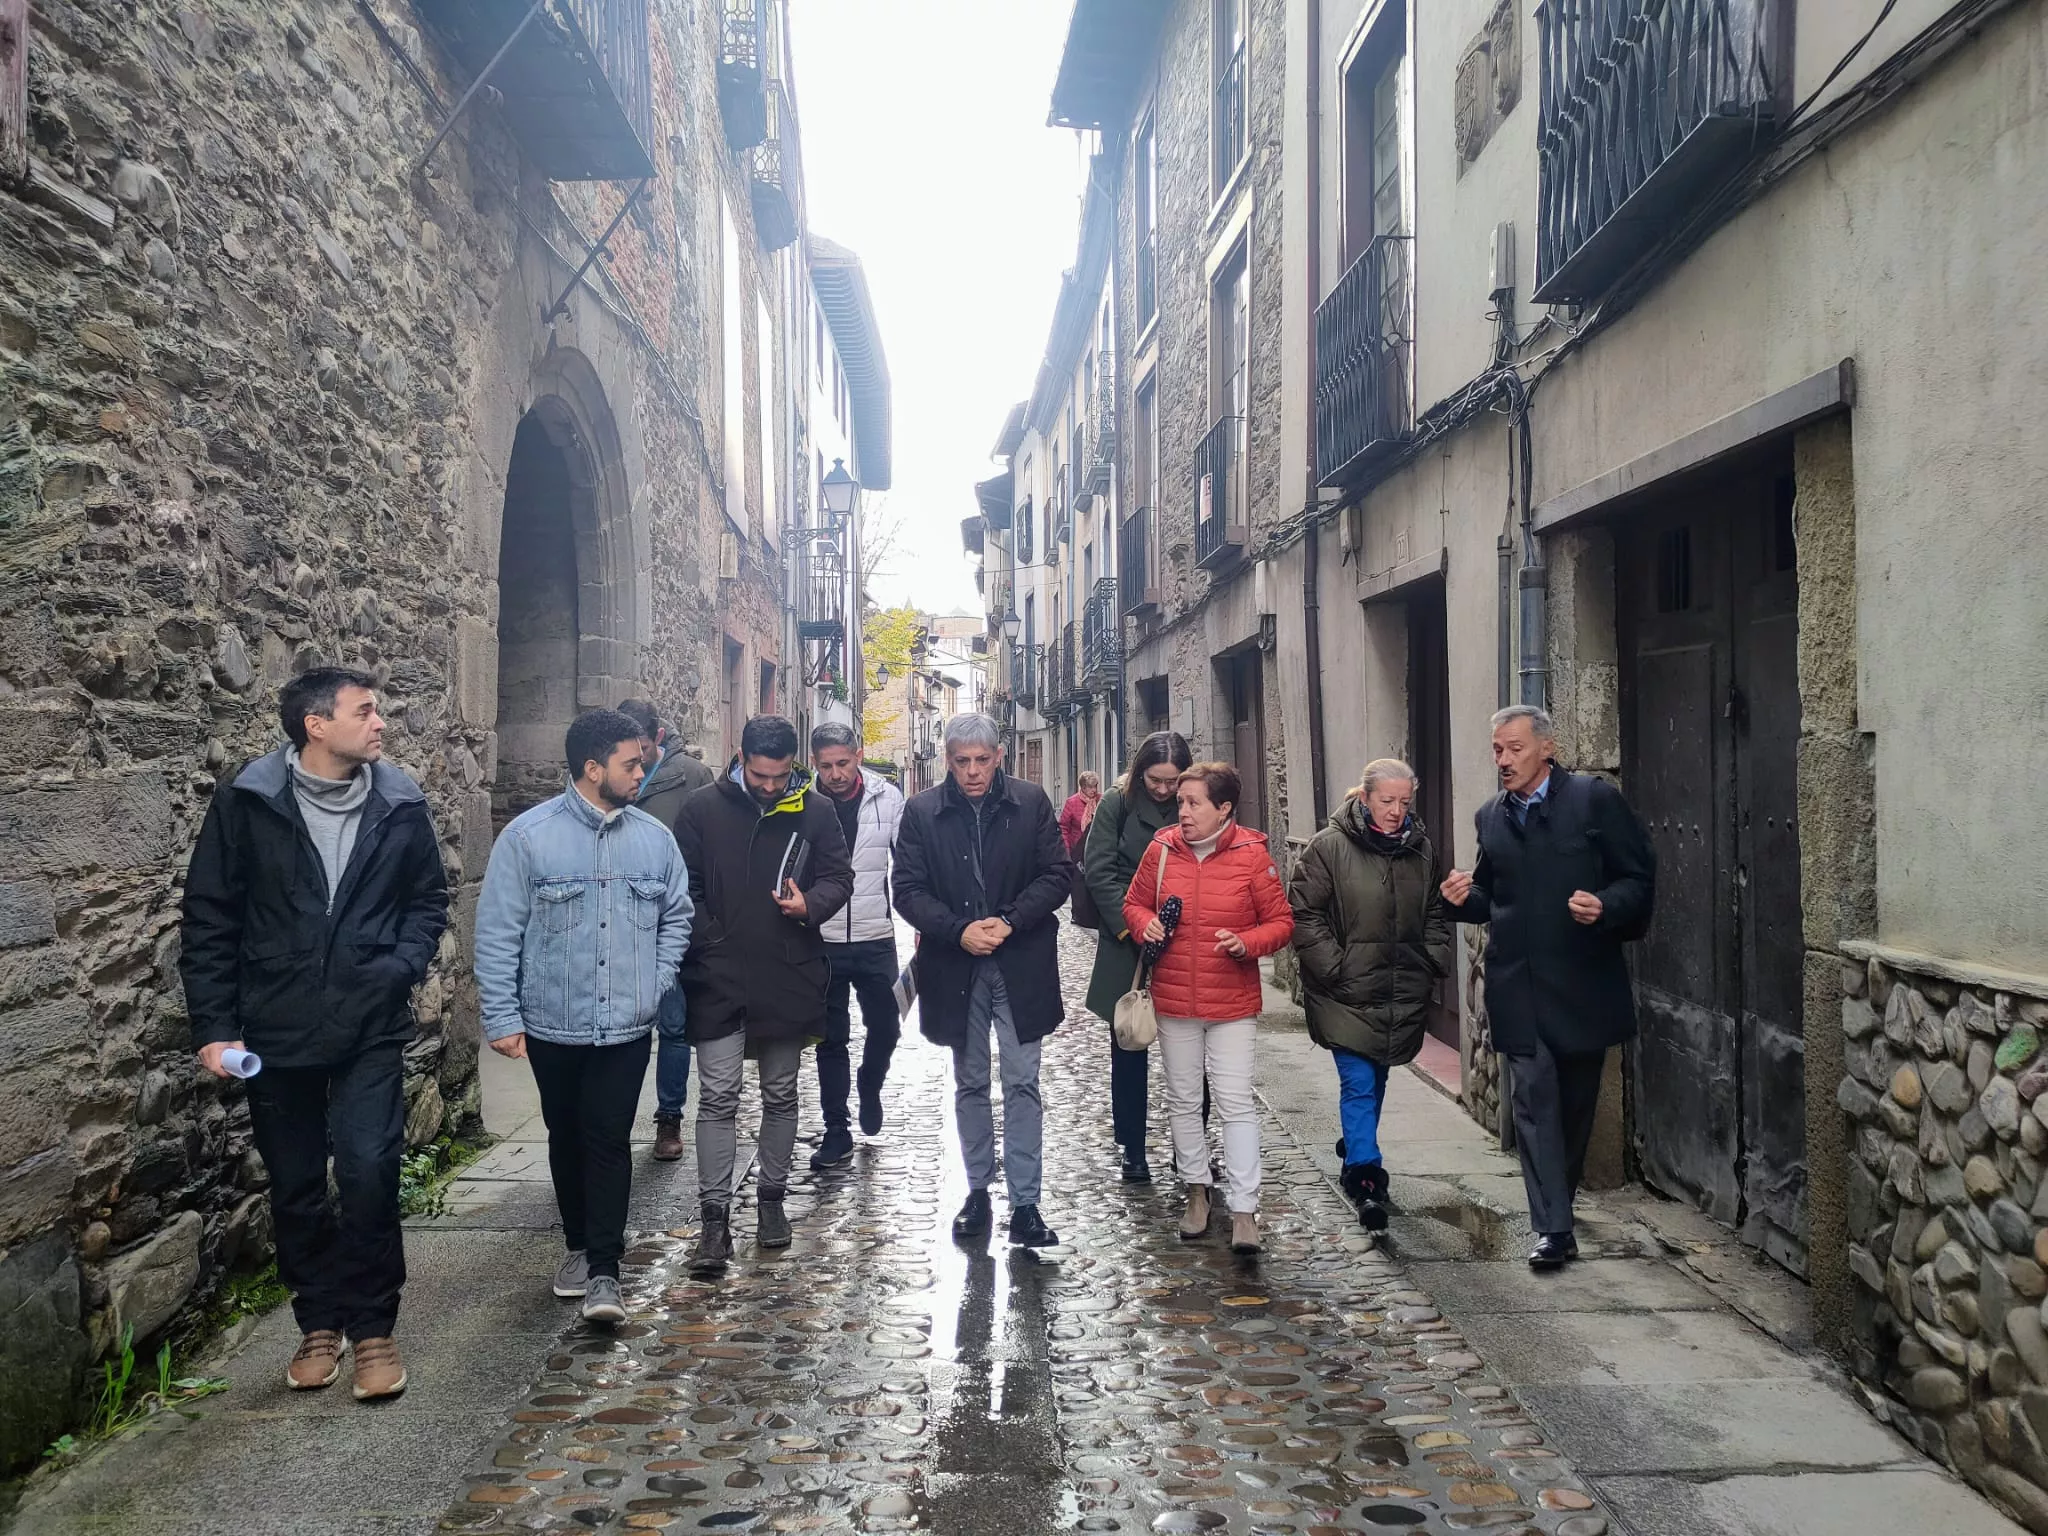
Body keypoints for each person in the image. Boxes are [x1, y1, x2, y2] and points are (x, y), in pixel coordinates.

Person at [181, 666, 449, 1400]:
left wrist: (395, 967)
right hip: (276, 1023)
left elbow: (427, 900)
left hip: (369, 1023)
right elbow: (211, 915)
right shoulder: (249, 802)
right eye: (365, 711)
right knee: (297, 1185)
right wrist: (213, 1025)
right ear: (316, 725)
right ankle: (318, 1321)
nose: (381, 722)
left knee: (367, 1173)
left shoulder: (399, 803)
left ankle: (372, 1329)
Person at [474, 710, 693, 1323]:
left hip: (626, 1025)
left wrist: (657, 979)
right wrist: (501, 1016)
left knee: (608, 1139)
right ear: (592, 769)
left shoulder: (654, 839)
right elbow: (497, 934)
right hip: (552, 1023)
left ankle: (604, 1270)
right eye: (630, 763)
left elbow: (678, 915)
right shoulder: (526, 838)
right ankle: (577, 1245)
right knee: (566, 1138)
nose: (642, 770)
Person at [1441, 705, 1655, 1269]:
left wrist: (1606, 905)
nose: (1503, 760)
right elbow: (1492, 897)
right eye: (1496, 750)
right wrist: (1460, 899)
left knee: (1576, 1109)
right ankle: (1554, 1229)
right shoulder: (1491, 816)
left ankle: (1560, 1199)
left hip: (1582, 984)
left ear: (1546, 748)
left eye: (1513, 748)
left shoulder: (1593, 802)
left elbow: (1638, 878)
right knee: (1533, 1106)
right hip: (1517, 987)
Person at [676, 715, 853, 1276]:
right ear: (741, 757)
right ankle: (713, 1222)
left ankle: (772, 1202)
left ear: (792, 765)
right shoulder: (702, 808)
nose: (770, 787)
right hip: (718, 975)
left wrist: (812, 905)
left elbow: (840, 877)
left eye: (780, 777)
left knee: (780, 1093)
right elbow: (684, 886)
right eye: (760, 775)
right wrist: (709, 939)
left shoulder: (817, 809)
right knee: (718, 1096)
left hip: (788, 969)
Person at [893, 713, 1070, 1249]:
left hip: (1021, 964)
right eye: (961, 761)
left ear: (999, 758)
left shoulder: (1030, 802)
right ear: (947, 760)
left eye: (982, 761)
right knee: (969, 1080)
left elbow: (1058, 874)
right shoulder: (923, 812)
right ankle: (977, 1192)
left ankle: (1026, 1202)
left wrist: (1010, 919)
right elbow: (907, 889)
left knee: (1022, 1080)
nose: (972, 772)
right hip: (955, 967)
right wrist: (958, 930)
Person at [1122, 762, 1293, 1254]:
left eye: (1195, 803)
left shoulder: (1251, 855)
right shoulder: (1160, 850)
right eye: (1181, 802)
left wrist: (1247, 942)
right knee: (1182, 1100)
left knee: (1236, 1102)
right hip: (1175, 999)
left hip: (1232, 1002)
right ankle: (1196, 1192)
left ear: (1224, 809)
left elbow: (1281, 923)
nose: (1184, 812)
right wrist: (1144, 925)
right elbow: (1134, 904)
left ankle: (1244, 1209)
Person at [1287, 758, 1452, 1232]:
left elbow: (1435, 911)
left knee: (1377, 1077)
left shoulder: (1420, 850)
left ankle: (1356, 1145)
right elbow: (1303, 912)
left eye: (1404, 802)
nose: (1397, 810)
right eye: (1387, 801)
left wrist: (1433, 956)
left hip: (1400, 987)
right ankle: (1365, 1178)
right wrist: (1333, 966)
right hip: (1345, 991)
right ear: (1364, 799)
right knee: (1358, 1081)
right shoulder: (1328, 848)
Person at [1081, 732, 1194, 1182]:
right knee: (1129, 1043)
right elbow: (1100, 868)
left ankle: (1193, 1146)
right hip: (1128, 941)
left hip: (1186, 937)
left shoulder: (1198, 798)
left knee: (1190, 1047)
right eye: (1155, 780)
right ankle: (1132, 1146)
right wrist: (1131, 925)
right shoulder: (1117, 803)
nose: (1164, 790)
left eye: (1173, 781)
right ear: (1141, 771)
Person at [616, 699, 714, 1163]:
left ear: (656, 737)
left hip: (670, 921)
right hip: (616, 919)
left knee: (673, 1026)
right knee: (619, 1027)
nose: (632, 764)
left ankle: (668, 1117)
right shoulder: (604, 773)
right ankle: (610, 1119)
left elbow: (712, 852)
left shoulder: (691, 777)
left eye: (638, 749)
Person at [807, 721, 907, 1169]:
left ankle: (870, 1082)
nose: (836, 774)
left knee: (886, 1026)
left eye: (843, 763)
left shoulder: (888, 799)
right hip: (820, 939)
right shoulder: (802, 805)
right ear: (815, 764)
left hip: (874, 936)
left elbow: (906, 865)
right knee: (830, 1039)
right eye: (826, 766)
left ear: (859, 754)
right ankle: (836, 1129)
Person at [1059, 770, 1103, 859]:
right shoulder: (1071, 802)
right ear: (1083, 787)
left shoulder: (1102, 800)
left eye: (1095, 786)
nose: (1094, 790)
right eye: (1090, 787)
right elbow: (1063, 828)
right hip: (1077, 850)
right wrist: (1066, 851)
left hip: (1097, 850)